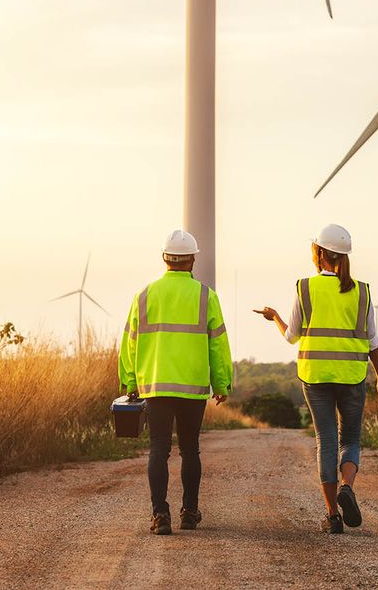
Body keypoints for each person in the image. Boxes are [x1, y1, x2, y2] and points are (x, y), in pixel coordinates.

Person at [254, 223, 378, 534]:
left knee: (326, 441)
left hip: (315, 377)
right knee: (351, 440)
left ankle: (332, 515)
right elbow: (372, 342)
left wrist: (273, 317)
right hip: (352, 375)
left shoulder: (304, 288)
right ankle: (348, 486)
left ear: (318, 254)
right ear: (344, 256)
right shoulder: (363, 291)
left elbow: (292, 336)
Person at [119, 229, 233, 535]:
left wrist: (129, 381)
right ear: (192, 260)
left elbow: (129, 343)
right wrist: (221, 384)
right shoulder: (206, 296)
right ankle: (189, 512)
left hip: (155, 385)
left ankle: (160, 515)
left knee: (158, 449)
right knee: (190, 450)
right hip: (193, 387)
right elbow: (218, 345)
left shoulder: (144, 296)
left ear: (164, 259)